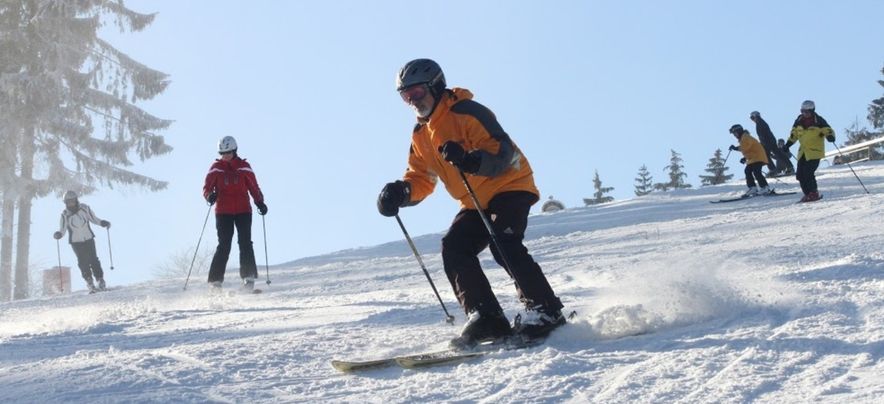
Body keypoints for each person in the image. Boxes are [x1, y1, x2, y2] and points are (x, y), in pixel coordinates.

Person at [377, 58, 565, 348]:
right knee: (454, 246)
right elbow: (421, 177)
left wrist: (469, 159)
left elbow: (501, 152)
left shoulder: (466, 112)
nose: (412, 101)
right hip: (474, 200)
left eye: (416, 93)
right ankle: (486, 317)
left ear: (435, 86)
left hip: (510, 185)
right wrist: (400, 193)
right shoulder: (420, 135)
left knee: (503, 243)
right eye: (405, 96)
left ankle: (546, 312)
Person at [202, 136, 267, 291]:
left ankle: (248, 278)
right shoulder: (216, 168)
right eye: (223, 153)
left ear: (235, 150)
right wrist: (209, 196)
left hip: (243, 211)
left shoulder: (244, 167)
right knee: (224, 244)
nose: (225, 156)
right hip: (223, 212)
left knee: (245, 242)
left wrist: (259, 202)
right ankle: (215, 282)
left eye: (228, 153)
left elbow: (253, 186)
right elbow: (206, 188)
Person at [53, 190, 110, 293]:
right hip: (76, 242)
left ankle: (100, 279)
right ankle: (89, 281)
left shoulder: (84, 208)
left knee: (93, 259)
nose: (71, 203)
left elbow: (94, 219)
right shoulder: (65, 215)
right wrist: (59, 234)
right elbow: (63, 229)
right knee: (83, 262)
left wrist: (102, 223)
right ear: (65, 203)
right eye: (68, 202)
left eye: (72, 201)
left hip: (88, 238)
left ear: (76, 200)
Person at [782, 100, 835, 202]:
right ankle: (807, 194)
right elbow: (794, 134)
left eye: (807, 112)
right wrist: (788, 144)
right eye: (802, 111)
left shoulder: (818, 121)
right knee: (800, 175)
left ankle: (814, 193)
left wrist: (830, 136)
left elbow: (828, 130)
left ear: (812, 111)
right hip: (803, 152)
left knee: (808, 172)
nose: (804, 114)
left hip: (815, 152)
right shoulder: (799, 121)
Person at [728, 124, 772, 197]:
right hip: (753, 158)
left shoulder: (745, 137)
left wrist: (736, 148)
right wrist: (745, 158)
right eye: (733, 134)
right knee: (747, 171)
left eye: (735, 133)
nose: (734, 135)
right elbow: (749, 149)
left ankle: (765, 187)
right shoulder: (743, 138)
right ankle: (753, 188)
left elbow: (746, 147)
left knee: (756, 172)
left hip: (758, 157)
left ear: (739, 131)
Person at [751, 111, 794, 175]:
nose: (752, 120)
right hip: (770, 141)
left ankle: (774, 170)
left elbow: (763, 135)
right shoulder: (760, 122)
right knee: (778, 154)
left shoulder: (760, 123)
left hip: (768, 142)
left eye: (752, 118)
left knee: (767, 156)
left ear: (755, 116)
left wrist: (764, 144)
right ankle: (789, 167)